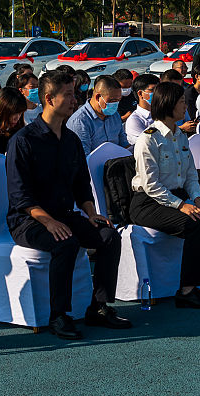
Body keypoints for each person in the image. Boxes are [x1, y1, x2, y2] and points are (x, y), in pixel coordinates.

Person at [7, 70, 130, 339]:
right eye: (69, 94)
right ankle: (59, 315)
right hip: (29, 221)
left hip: (64, 215)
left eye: (75, 94)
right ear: (49, 99)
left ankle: (98, 307)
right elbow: (20, 197)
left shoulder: (71, 139)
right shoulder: (24, 141)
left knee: (109, 236)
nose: (75, 100)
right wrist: (48, 221)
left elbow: (81, 186)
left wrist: (90, 212)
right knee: (66, 242)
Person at [130, 81, 200, 308]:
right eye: (181, 102)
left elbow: (190, 172)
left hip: (174, 197)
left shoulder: (179, 135)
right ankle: (188, 290)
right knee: (196, 223)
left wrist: (198, 198)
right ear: (168, 104)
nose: (185, 106)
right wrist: (182, 205)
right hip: (148, 203)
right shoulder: (149, 139)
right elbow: (151, 185)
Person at [67, 75, 127, 152]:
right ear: (98, 97)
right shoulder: (80, 121)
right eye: (112, 100)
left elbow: (123, 143)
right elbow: (84, 157)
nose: (116, 104)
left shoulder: (115, 115)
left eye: (118, 100)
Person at [124, 73, 158, 145]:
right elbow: (149, 143)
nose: (158, 93)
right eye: (153, 90)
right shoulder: (135, 120)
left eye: (158, 90)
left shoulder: (163, 112)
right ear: (140, 93)